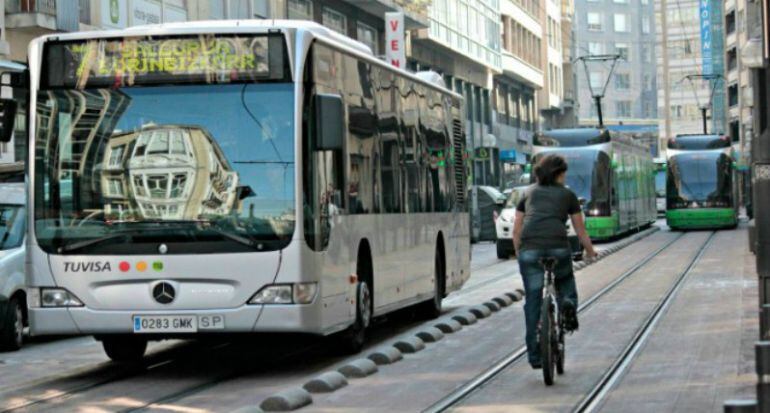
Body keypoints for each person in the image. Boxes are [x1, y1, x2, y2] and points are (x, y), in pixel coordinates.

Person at [512, 154, 597, 369]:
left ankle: (535, 356)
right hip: (558, 248)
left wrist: (520, 253)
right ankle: (567, 303)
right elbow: (580, 230)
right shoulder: (568, 195)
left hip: (529, 250)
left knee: (532, 301)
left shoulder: (527, 193)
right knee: (565, 281)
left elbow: (516, 230)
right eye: (564, 173)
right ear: (559, 174)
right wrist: (590, 251)